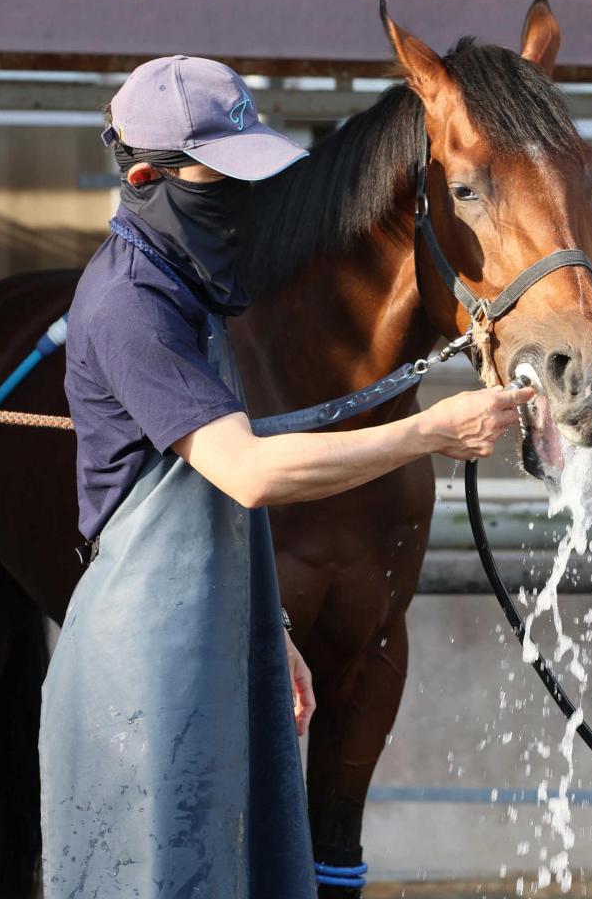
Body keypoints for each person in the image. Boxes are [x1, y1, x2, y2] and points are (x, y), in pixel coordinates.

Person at [38, 55, 534, 899]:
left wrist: (267, 625)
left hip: (218, 633)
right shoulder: (131, 307)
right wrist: (427, 430)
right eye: (223, 180)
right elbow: (249, 472)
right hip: (145, 666)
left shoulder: (193, 299)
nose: (247, 204)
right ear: (151, 178)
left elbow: (205, 509)